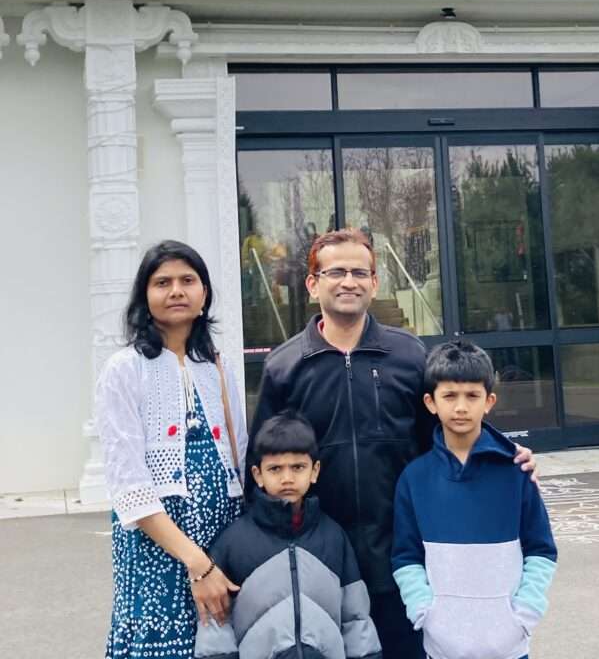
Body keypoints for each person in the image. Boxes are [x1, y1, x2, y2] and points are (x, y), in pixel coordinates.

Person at [247, 228, 538, 659]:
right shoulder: (284, 365)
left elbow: (448, 427)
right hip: (321, 559)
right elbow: (263, 458)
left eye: (360, 272)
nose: (349, 281)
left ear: (375, 283)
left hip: (406, 556)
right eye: (336, 271)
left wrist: (501, 453)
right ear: (313, 283)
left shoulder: (409, 355)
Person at [96, 240, 248, 659]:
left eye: (188, 280)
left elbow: (242, 456)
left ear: (204, 295)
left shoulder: (217, 365)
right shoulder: (124, 370)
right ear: (145, 296)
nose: (176, 290)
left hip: (221, 536)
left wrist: (217, 559)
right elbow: (130, 487)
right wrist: (197, 564)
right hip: (157, 545)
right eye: (163, 282)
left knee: (218, 643)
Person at [391, 340, 557, 659]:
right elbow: (405, 557)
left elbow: (541, 550)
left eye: (472, 396)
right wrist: (425, 614)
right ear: (430, 402)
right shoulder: (415, 478)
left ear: (489, 401)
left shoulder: (516, 472)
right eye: (449, 396)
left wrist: (523, 617)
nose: (461, 407)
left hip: (510, 647)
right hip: (441, 648)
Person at [194, 410, 382, 659]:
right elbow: (217, 623)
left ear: (314, 471)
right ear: (257, 475)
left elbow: (355, 616)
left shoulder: (334, 537)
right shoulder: (233, 542)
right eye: (275, 469)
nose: (287, 478)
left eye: (297, 467)